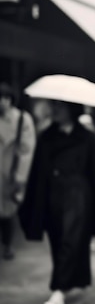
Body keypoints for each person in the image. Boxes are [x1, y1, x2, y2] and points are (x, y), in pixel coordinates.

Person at [18, 100, 95, 304]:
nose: (55, 111)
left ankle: (58, 291)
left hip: (79, 195)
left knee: (70, 240)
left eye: (59, 108)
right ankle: (71, 280)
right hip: (52, 195)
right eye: (53, 107)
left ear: (71, 110)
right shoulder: (46, 137)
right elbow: (38, 171)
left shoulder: (87, 137)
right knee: (57, 239)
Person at [0, 82, 36, 260]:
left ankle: (7, 245)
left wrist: (20, 176)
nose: (2, 103)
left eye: (6, 98)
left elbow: (26, 149)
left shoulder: (22, 119)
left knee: (7, 212)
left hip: (9, 172)